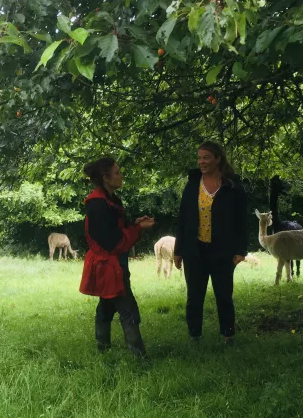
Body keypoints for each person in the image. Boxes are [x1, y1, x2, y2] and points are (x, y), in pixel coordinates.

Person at [79, 157, 155, 357]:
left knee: (106, 306)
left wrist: (134, 224)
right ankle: (139, 357)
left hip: (115, 264)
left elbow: (118, 228)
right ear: (106, 178)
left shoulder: (112, 201)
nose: (121, 176)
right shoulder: (96, 205)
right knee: (128, 309)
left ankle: (103, 349)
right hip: (107, 265)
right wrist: (137, 229)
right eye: (117, 172)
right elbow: (112, 241)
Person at [173, 141, 248, 345]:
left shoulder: (232, 185)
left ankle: (228, 335)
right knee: (194, 296)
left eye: (206, 157)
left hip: (222, 251)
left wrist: (240, 250)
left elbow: (242, 220)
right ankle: (195, 336)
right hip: (194, 250)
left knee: (224, 295)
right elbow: (183, 219)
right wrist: (178, 251)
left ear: (218, 159)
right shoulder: (193, 184)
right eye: (199, 158)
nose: (201, 162)